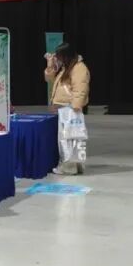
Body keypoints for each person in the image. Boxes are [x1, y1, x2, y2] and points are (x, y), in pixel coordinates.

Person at [45, 42, 91, 175]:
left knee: (70, 139)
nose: (57, 58)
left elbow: (81, 88)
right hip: (64, 108)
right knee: (69, 138)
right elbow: (49, 78)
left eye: (59, 56)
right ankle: (73, 166)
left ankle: (69, 167)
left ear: (66, 55)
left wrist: (76, 107)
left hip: (70, 108)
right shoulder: (66, 67)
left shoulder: (79, 68)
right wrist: (50, 65)